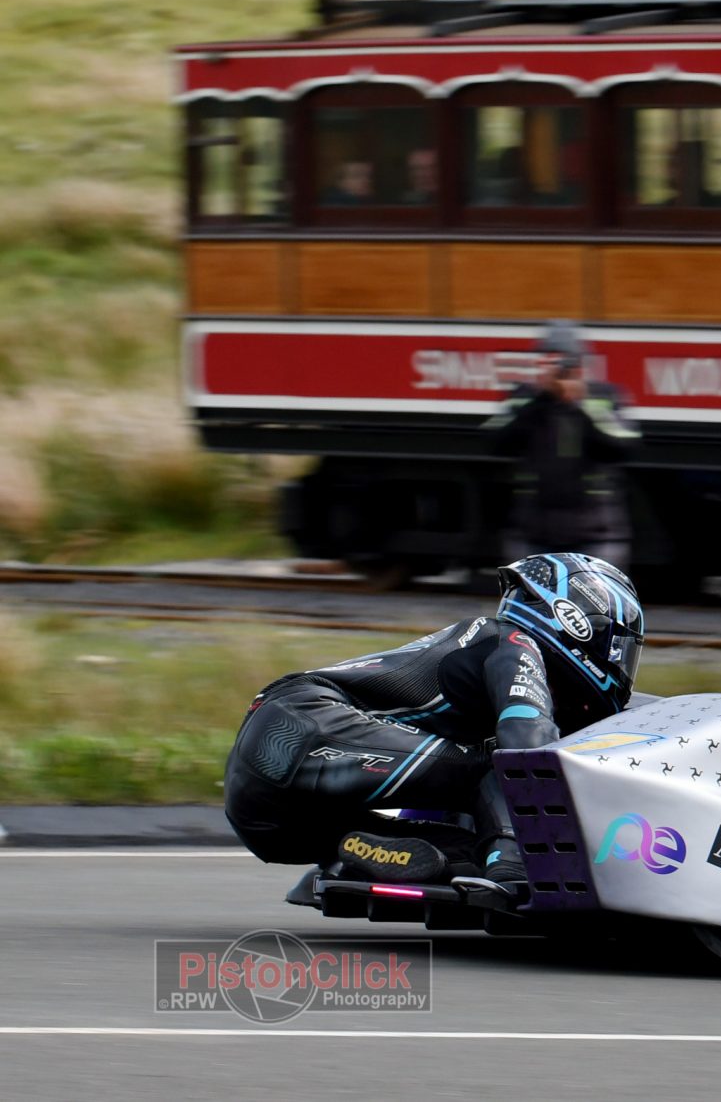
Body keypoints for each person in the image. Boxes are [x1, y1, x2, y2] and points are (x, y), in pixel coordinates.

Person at [224, 553, 645, 888]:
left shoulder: (489, 650)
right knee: (506, 765)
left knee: (465, 853)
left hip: (275, 820)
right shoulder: (513, 643)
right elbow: (527, 744)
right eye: (622, 646)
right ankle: (511, 866)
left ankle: (371, 852)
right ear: (578, 620)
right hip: (299, 725)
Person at [487, 321, 640, 570]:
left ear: (582, 365)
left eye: (566, 364)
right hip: (532, 533)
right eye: (549, 362)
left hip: (595, 536)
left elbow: (623, 446)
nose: (559, 372)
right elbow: (496, 443)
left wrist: (578, 405)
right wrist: (541, 399)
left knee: (591, 608)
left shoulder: (604, 396)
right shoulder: (524, 398)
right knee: (532, 607)